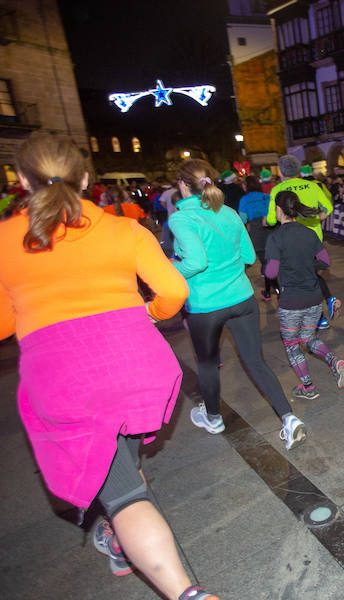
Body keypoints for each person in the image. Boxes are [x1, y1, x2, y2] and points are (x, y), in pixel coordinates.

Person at [0, 132, 219, 600]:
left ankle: (187, 593)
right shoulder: (124, 230)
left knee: (125, 498)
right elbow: (174, 292)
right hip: (136, 364)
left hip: (66, 378)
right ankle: (123, 545)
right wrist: (144, 316)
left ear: (21, 180)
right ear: (85, 178)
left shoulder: (4, 240)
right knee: (121, 458)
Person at [169, 158, 308, 450]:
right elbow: (248, 258)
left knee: (207, 364)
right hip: (242, 298)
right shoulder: (229, 213)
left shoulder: (181, 218)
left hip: (205, 305)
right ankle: (288, 417)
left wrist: (168, 267)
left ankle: (214, 417)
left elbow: (195, 262)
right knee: (255, 361)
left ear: (182, 185)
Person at [265, 190, 344, 398]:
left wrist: (277, 265)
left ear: (279, 209)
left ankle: (308, 387)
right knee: (308, 337)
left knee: (292, 344)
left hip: (291, 301)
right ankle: (334, 361)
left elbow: (271, 272)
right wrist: (305, 264)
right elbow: (325, 261)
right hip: (313, 297)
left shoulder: (276, 237)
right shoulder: (309, 232)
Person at [266, 156, 338, 329]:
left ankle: (309, 316)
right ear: (298, 169)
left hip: (290, 239)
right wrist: (318, 219)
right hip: (313, 238)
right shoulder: (312, 185)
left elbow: (270, 220)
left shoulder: (278, 189)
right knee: (311, 275)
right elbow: (328, 207)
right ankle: (322, 310)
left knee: (296, 277)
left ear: (281, 170)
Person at [238, 174, 278, 300]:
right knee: (272, 261)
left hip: (257, 231)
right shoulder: (267, 197)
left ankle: (277, 290)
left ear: (247, 186)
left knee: (266, 262)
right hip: (272, 229)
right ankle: (268, 291)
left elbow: (243, 219)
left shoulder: (244, 200)